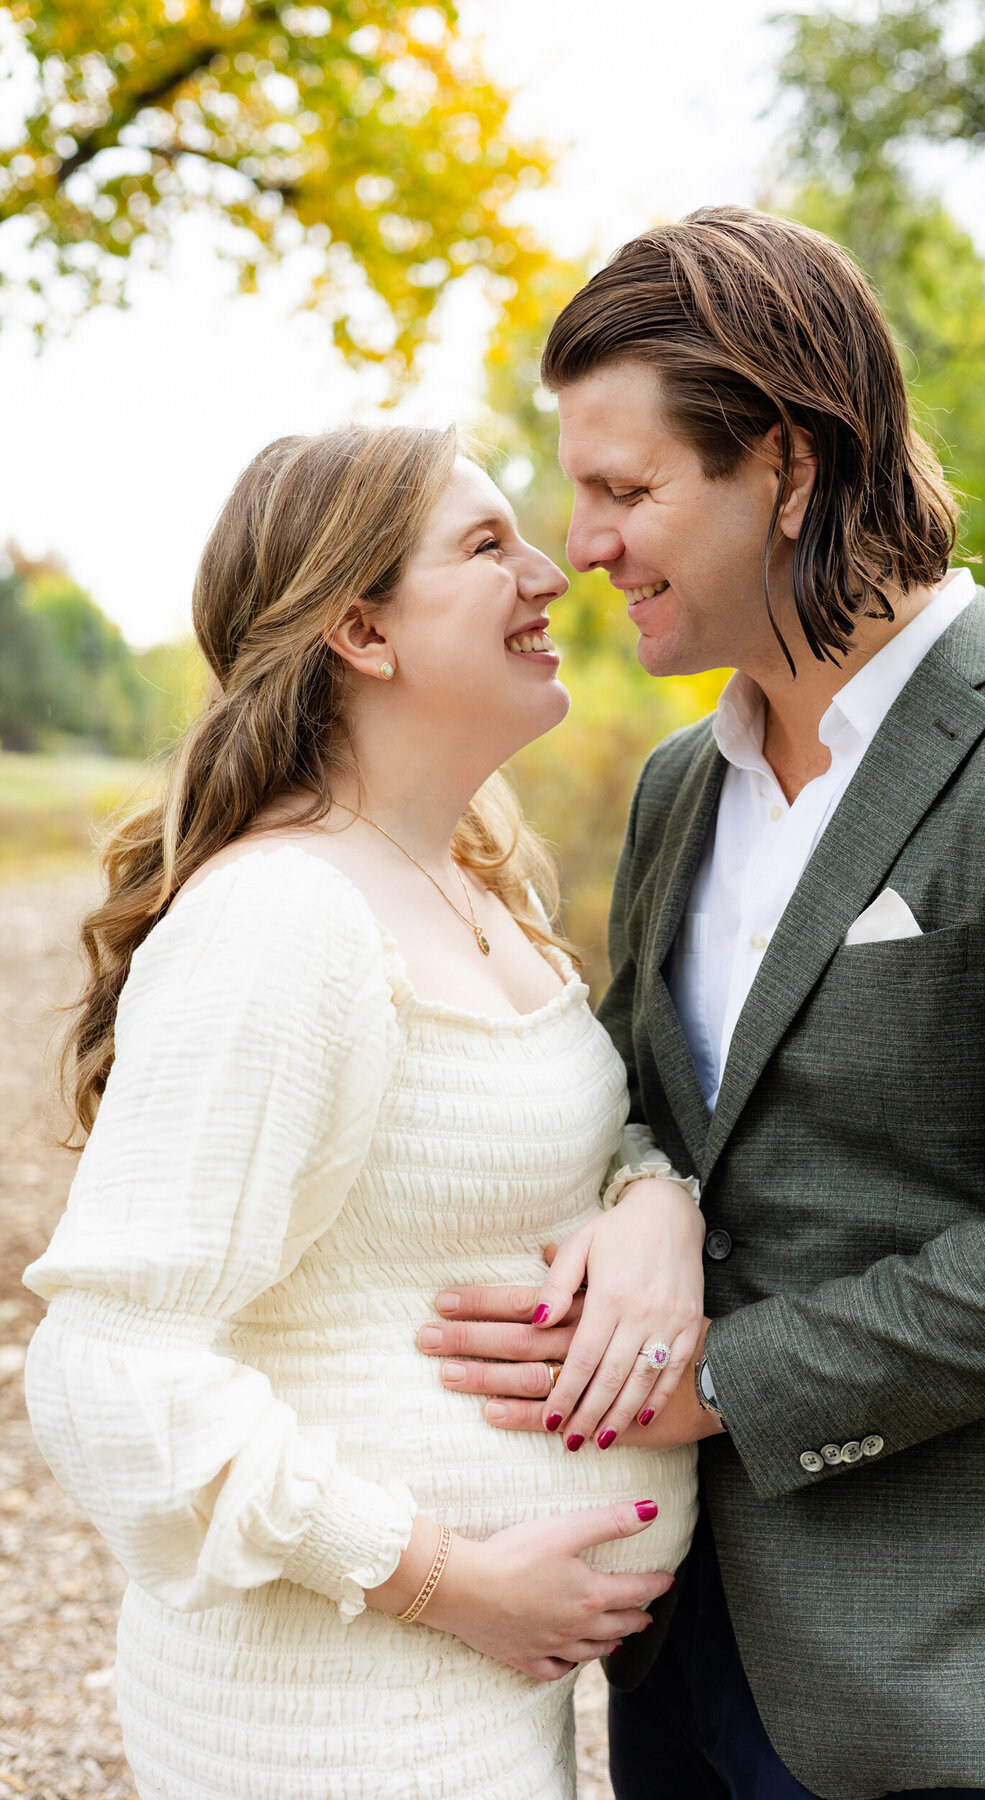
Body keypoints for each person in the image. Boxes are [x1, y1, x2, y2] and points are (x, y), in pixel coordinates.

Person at [416, 207, 985, 1800]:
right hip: (677, 1637)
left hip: (945, 1671)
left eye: (629, 490)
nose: (584, 544)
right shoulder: (671, 790)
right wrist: (645, 1198)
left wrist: (723, 1387)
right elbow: (654, 1098)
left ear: (786, 463)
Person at [22, 423, 702, 1800]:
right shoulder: (284, 922)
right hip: (332, 1721)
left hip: (468, 1704)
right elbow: (105, 1370)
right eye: (484, 546)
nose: (550, 571)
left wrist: (655, 1207)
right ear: (363, 635)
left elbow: (562, 1147)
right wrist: (441, 1577)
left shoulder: (468, 878)